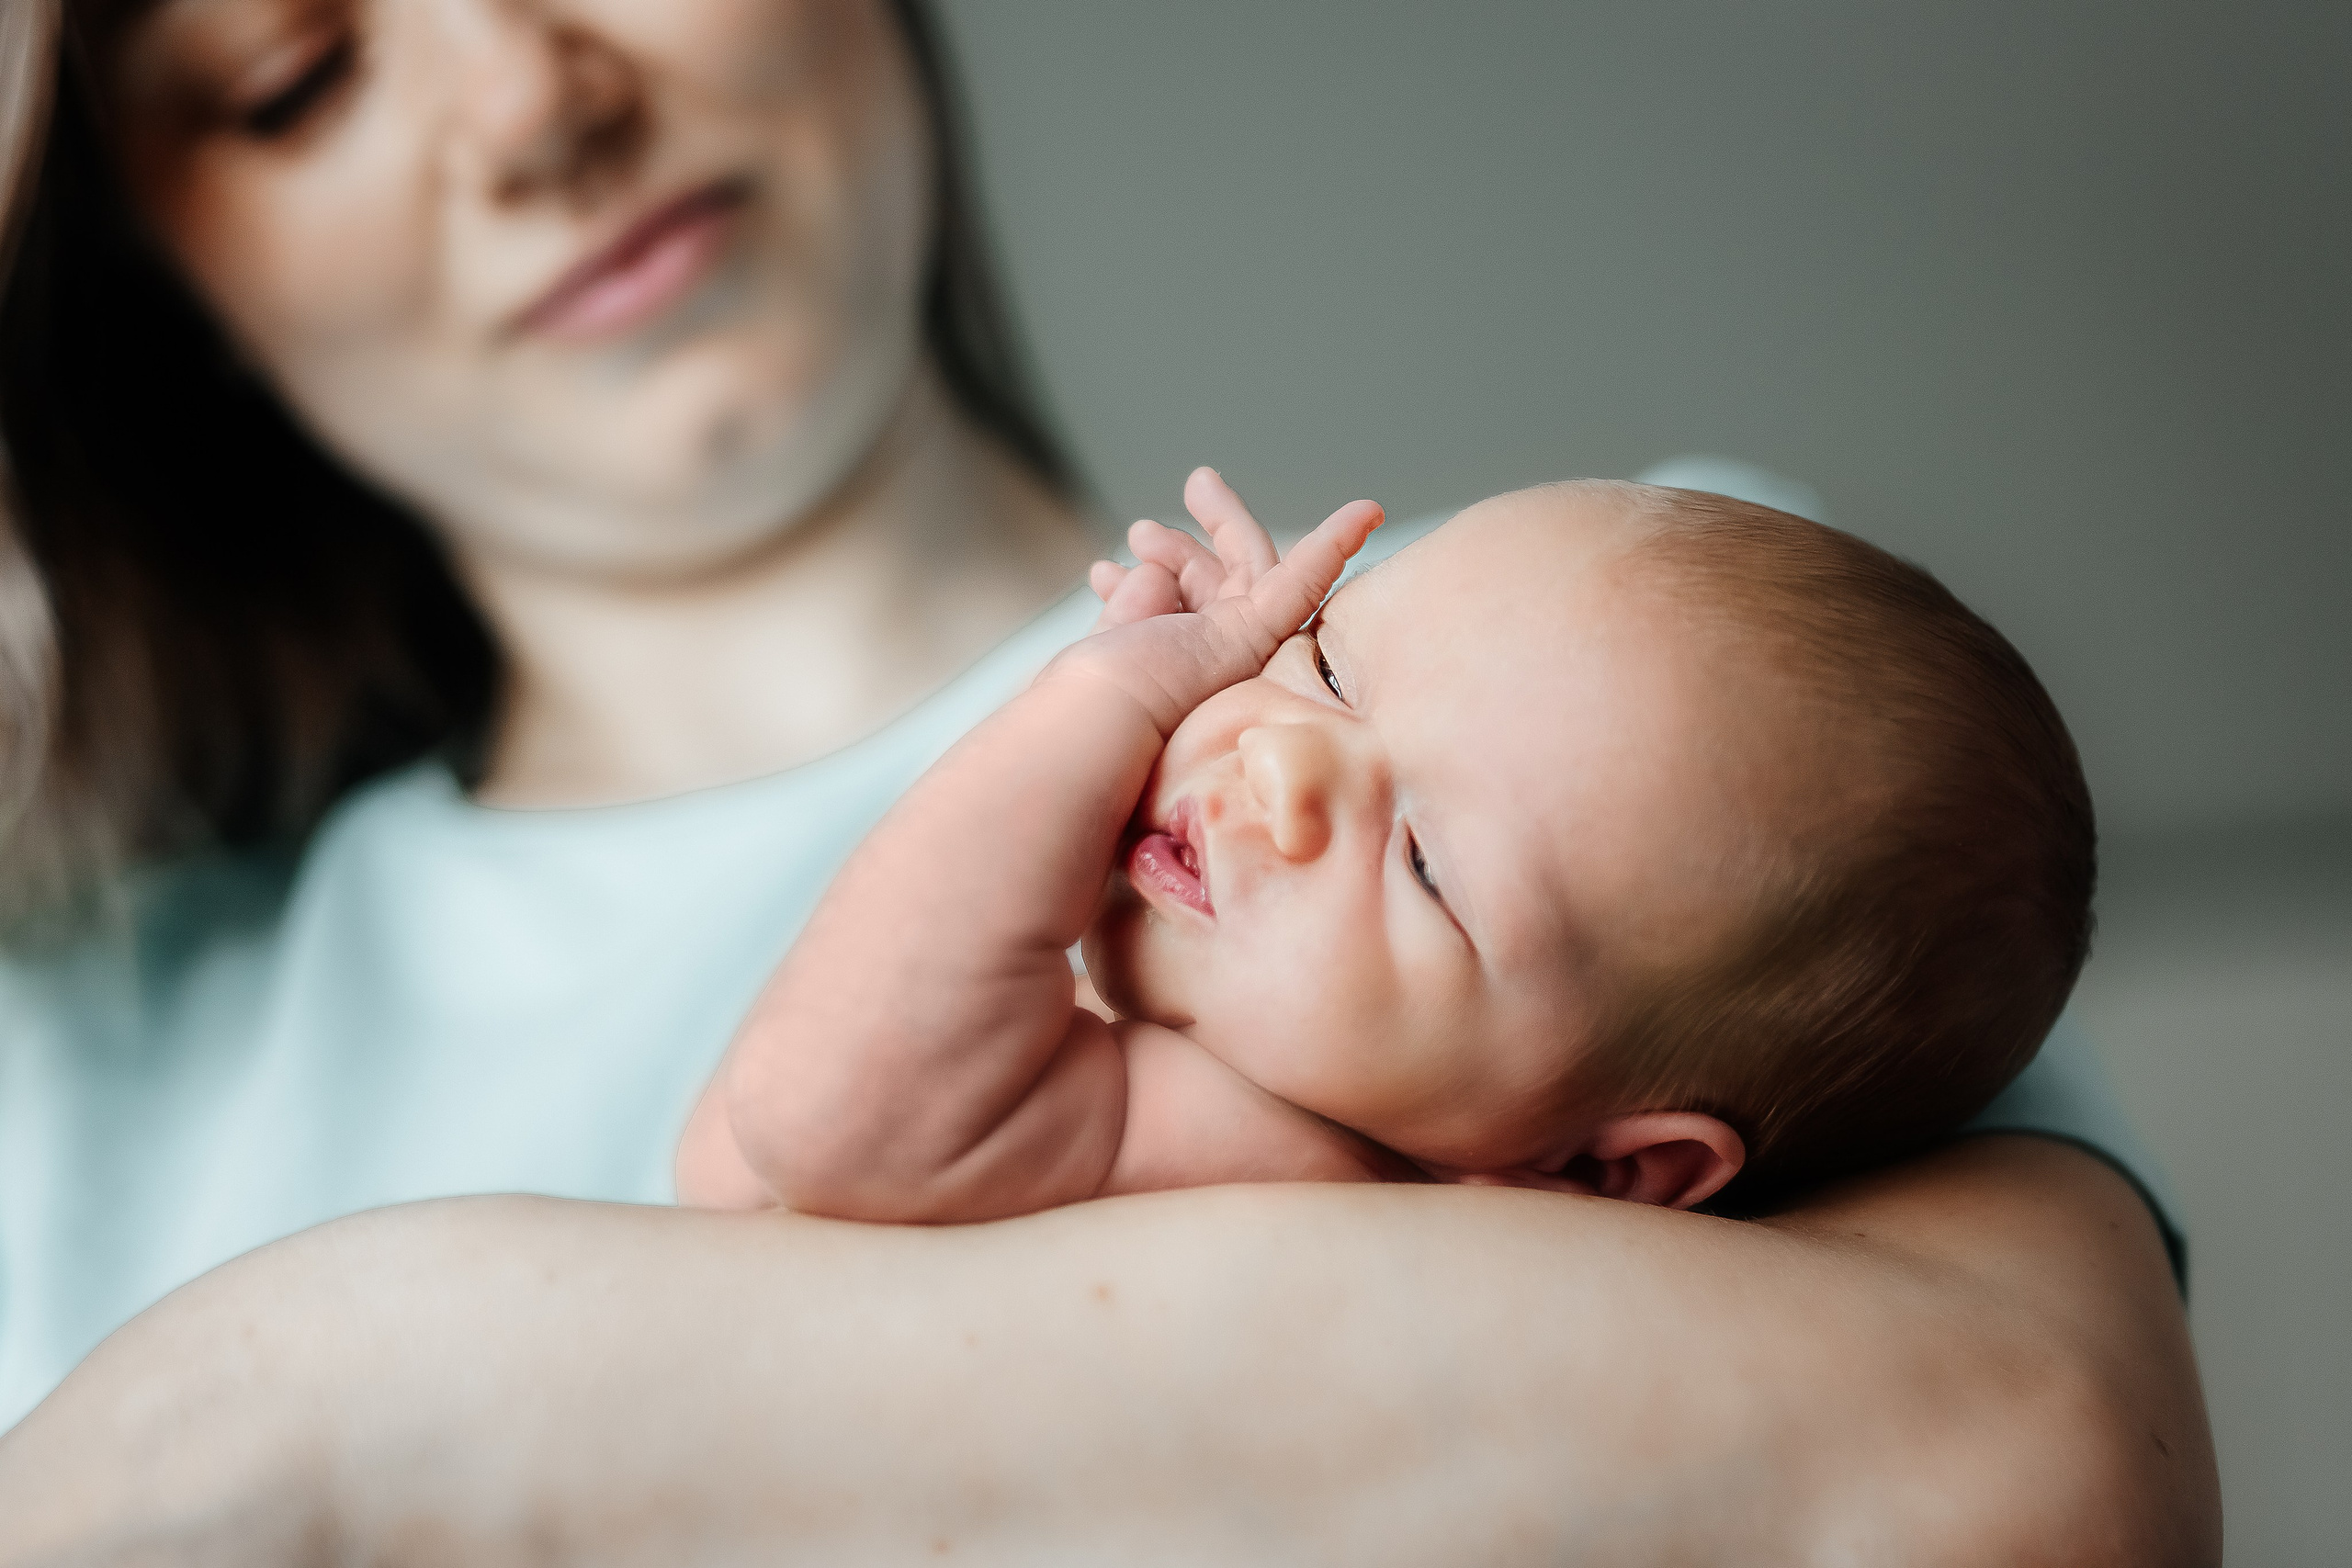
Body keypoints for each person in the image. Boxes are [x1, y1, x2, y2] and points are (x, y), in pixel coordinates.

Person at [0, 2, 2216, 1561]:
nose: (530, 104)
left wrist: (311, 1416)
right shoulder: (72, 1054)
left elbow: (2009, 1468)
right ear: (143, 258)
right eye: (295, 77)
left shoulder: (1661, 669)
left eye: (1428, 851)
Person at [687, 476, 2094, 1223]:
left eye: (1425, 864)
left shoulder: (1300, 1173)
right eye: (1327, 668)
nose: (1279, 762)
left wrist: (1093, 709)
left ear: (1604, 1175)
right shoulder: (1240, 1080)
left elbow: (810, 1117)